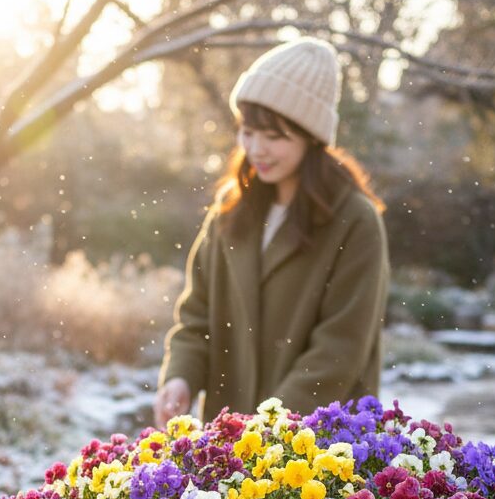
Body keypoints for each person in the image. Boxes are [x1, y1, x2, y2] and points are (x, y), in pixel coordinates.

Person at [154, 37, 390, 428]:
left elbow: (340, 349)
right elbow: (197, 317)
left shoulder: (355, 220)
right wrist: (181, 376)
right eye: (247, 131)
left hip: (319, 454)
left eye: (275, 136)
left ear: (311, 136)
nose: (256, 148)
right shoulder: (231, 210)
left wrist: (270, 428)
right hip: (230, 444)